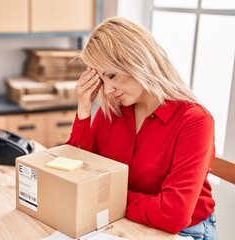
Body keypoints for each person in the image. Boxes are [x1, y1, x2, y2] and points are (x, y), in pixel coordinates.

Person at [66, 16, 217, 239]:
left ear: (137, 61)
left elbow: (172, 215)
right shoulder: (114, 109)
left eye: (112, 75)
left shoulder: (195, 121)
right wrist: (84, 111)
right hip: (123, 221)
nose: (107, 90)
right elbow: (77, 173)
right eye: (102, 80)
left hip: (184, 231)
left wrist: (106, 197)